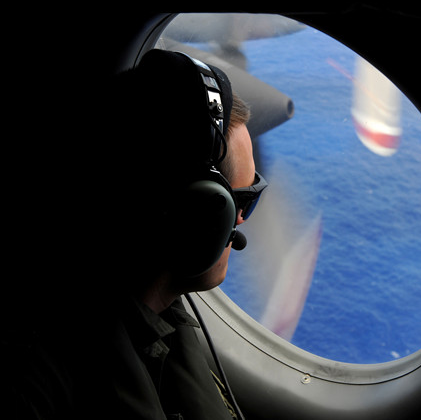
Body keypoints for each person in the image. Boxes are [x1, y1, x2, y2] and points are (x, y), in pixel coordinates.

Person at [7, 49, 265, 419]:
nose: (241, 220)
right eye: (243, 201)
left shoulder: (159, 329)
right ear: (196, 210)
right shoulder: (35, 384)